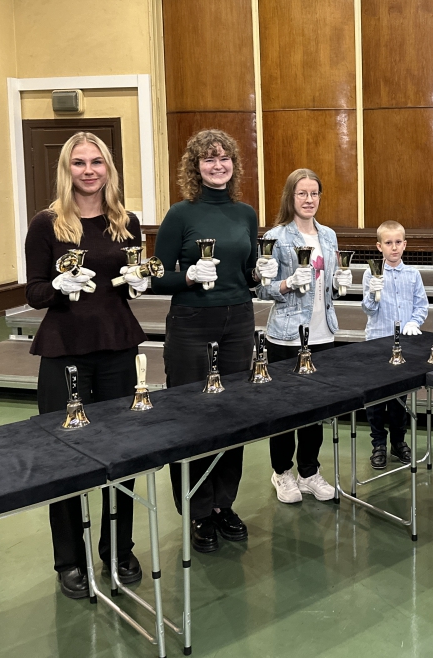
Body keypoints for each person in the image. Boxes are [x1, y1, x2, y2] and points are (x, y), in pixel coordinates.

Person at [24, 132, 150, 598]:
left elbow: (129, 280)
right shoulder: (47, 224)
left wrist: (136, 283)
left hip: (117, 346)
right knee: (65, 457)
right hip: (65, 350)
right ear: (67, 169)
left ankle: (118, 548)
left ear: (108, 168)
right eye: (79, 163)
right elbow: (34, 291)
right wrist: (58, 287)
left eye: (97, 162)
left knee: (122, 452)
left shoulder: (125, 221)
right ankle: (69, 560)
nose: (89, 170)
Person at [153, 129, 272, 553]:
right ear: (195, 167)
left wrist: (259, 274)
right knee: (191, 416)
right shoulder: (180, 215)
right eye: (208, 159)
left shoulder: (245, 214)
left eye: (224, 158)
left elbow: (247, 272)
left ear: (233, 165)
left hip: (238, 320)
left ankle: (224, 504)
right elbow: (155, 276)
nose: (218, 165)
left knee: (232, 414)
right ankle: (197, 510)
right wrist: (186, 276)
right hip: (191, 323)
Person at [258, 168, 350, 503]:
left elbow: (329, 286)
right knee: (284, 408)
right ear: (290, 197)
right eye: (302, 193)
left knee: (316, 408)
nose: (309, 199)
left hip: (323, 333)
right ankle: (282, 472)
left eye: (314, 193)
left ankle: (309, 472)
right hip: (286, 335)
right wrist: (286, 284)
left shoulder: (329, 235)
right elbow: (262, 289)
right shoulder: (276, 237)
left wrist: (339, 284)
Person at [361, 220, 429, 469]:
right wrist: (372, 292)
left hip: (403, 345)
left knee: (400, 397)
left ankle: (398, 441)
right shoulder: (371, 273)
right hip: (377, 342)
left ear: (405, 244)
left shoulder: (413, 275)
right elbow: (368, 309)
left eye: (398, 242)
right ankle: (378, 443)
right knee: (376, 399)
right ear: (379, 246)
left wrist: (414, 322)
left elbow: (421, 306)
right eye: (388, 243)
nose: (394, 247)